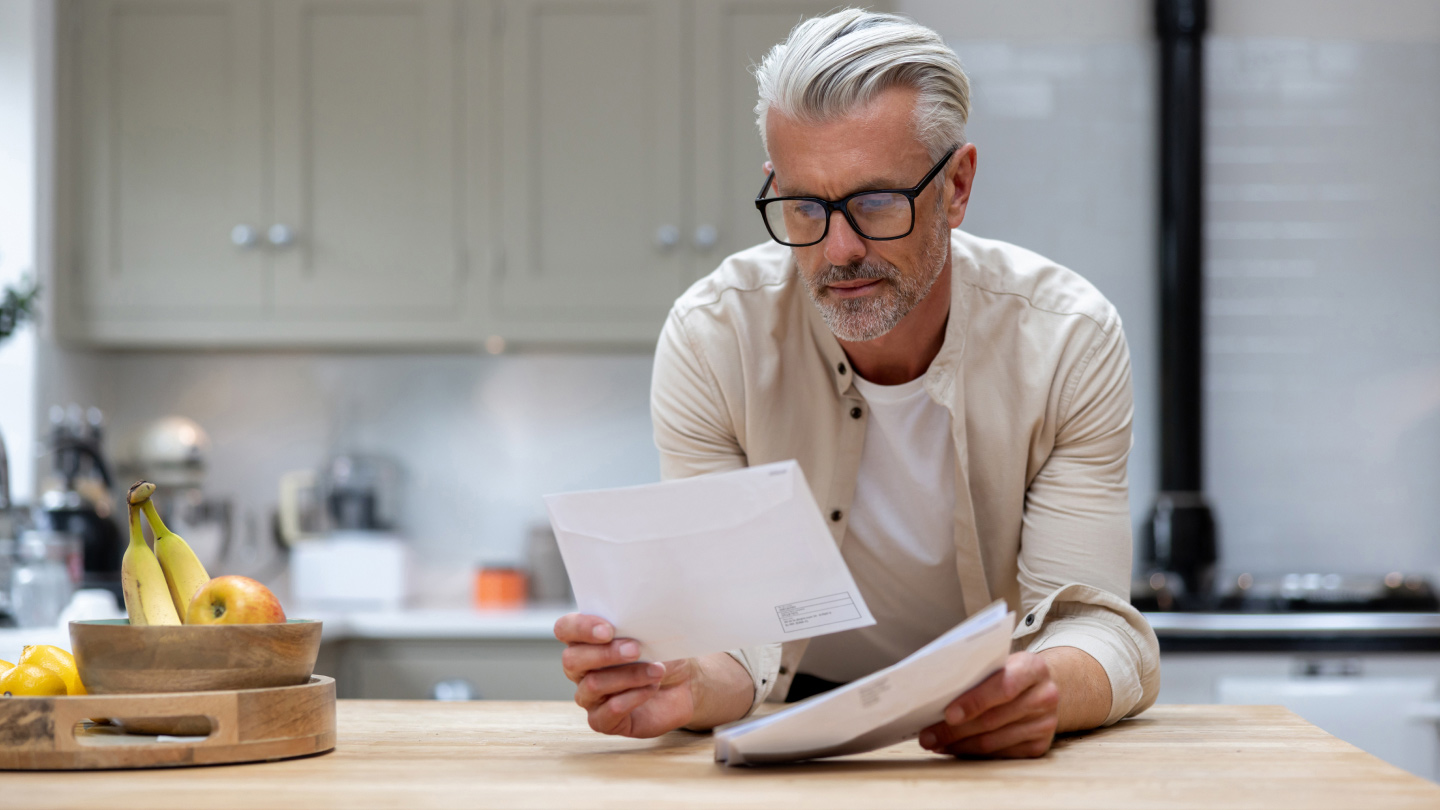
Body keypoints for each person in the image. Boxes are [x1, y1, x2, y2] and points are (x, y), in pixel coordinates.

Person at [554, 8, 1159, 758]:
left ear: (958, 186)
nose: (839, 249)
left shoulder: (1068, 339)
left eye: (876, 202)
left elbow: (1098, 627)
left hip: (986, 724)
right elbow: (732, 640)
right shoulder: (716, 338)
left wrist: (1043, 688)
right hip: (786, 720)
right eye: (805, 206)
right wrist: (681, 682)